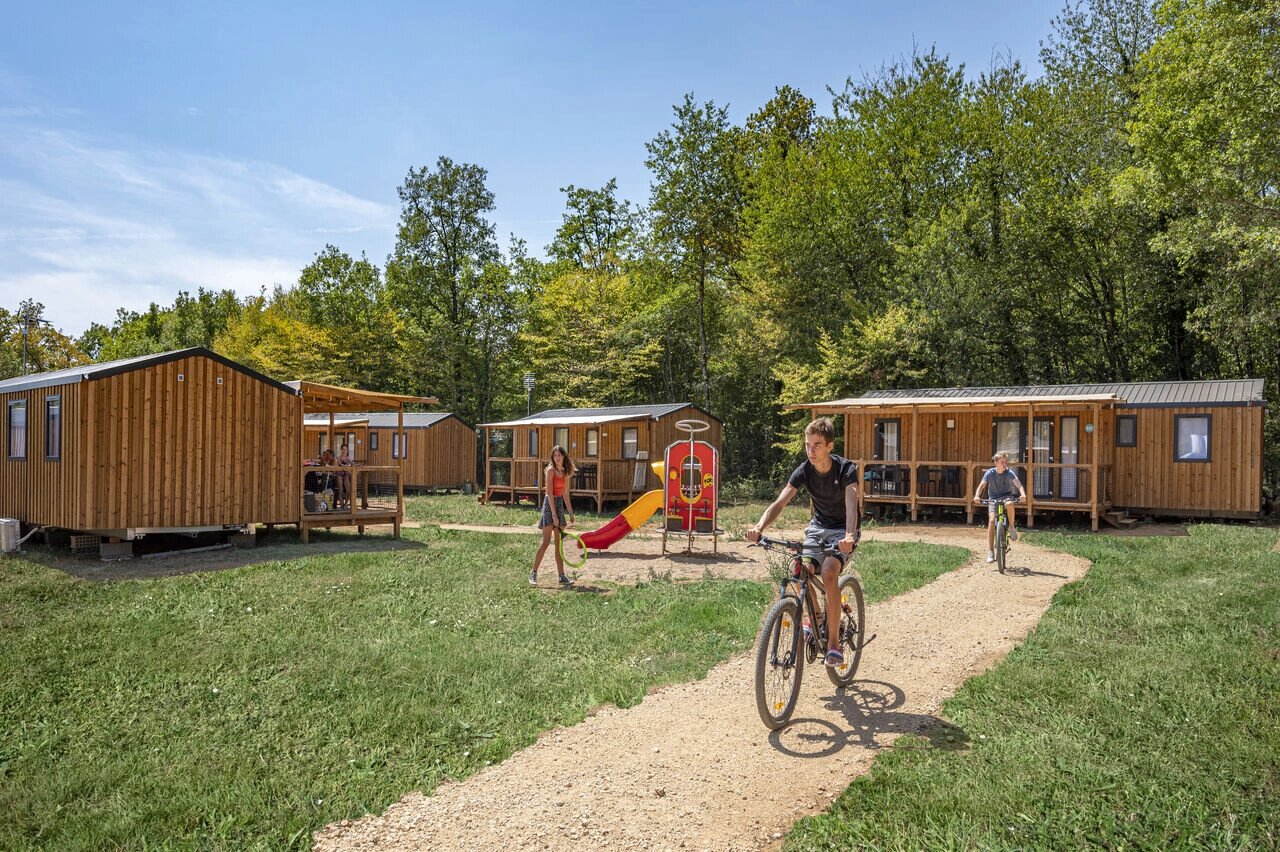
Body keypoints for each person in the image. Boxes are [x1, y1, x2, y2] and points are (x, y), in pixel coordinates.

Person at [745, 417, 860, 668]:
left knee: (829, 572)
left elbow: (852, 504)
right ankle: (816, 617)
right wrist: (759, 527)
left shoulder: (846, 470)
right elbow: (780, 502)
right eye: (807, 444)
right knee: (799, 570)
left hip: (842, 530)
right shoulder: (804, 470)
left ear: (829, 446)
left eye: (817, 445)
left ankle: (834, 644)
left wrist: (849, 535)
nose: (811, 450)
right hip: (818, 528)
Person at [530, 445, 576, 587]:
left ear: (563, 456)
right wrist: (554, 515)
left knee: (558, 544)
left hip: (559, 504)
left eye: (559, 455)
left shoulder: (564, 472)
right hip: (549, 505)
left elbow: (565, 494)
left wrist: (570, 513)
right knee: (545, 542)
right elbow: (549, 493)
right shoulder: (550, 470)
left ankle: (561, 576)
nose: (557, 458)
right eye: (555, 455)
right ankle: (533, 573)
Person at [973, 452, 1027, 562]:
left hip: (1007, 496)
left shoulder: (1009, 472)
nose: (1004, 464)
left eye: (1006, 462)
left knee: (1010, 504)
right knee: (991, 521)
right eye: (1002, 462)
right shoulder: (990, 473)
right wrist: (977, 496)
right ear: (996, 463)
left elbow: (1018, 484)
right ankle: (991, 552)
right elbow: (982, 485)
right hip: (993, 498)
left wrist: (1023, 494)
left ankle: (1011, 527)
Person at [336, 442, 353, 508]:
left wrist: (359, 465)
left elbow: (353, 463)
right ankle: (342, 506)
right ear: (341, 449)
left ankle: (345, 504)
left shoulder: (348, 458)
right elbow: (340, 464)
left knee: (348, 490)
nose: (344, 451)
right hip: (339, 475)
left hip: (346, 475)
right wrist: (345, 466)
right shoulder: (338, 457)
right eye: (343, 449)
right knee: (341, 491)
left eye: (345, 449)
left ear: (347, 450)